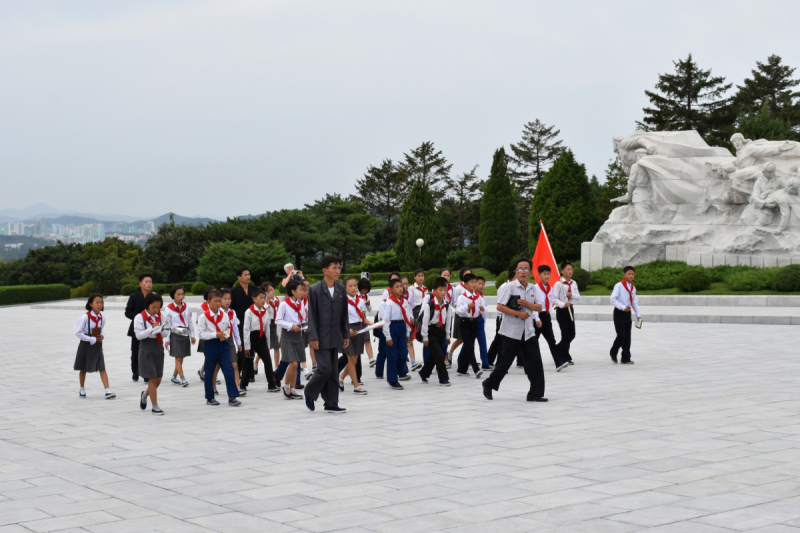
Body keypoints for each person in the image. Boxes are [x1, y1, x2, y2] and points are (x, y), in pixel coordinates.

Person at [482, 258, 547, 402]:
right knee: (504, 363)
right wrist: (518, 313)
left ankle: (535, 393)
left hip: (528, 332)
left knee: (536, 363)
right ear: (515, 272)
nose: (523, 272)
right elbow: (500, 306)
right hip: (511, 332)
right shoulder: (509, 287)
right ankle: (489, 383)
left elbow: (539, 307)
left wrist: (528, 304)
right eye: (520, 269)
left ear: (530, 272)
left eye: (526, 269)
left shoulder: (533, 288)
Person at [304, 256, 350, 412]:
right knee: (325, 369)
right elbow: (312, 316)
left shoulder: (341, 289)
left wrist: (346, 334)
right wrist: (313, 337)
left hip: (335, 336)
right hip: (320, 337)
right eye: (334, 268)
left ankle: (331, 403)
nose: (337, 271)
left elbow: (344, 314)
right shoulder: (315, 290)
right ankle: (309, 391)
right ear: (325, 270)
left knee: (333, 371)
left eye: (339, 267)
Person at [196, 290, 241, 406]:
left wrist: (225, 334)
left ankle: (232, 396)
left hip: (223, 345)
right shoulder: (203, 317)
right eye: (215, 301)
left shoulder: (224, 315)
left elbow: (228, 328)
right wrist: (215, 334)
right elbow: (201, 334)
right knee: (210, 372)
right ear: (209, 302)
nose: (218, 303)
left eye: (219, 301)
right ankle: (210, 397)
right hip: (211, 345)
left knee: (229, 370)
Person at [74, 293, 115, 399]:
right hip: (86, 344)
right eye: (97, 302)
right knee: (83, 368)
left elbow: (102, 330)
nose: (99, 305)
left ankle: (107, 390)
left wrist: (102, 336)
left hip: (97, 344)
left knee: (102, 366)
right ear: (91, 304)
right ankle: (82, 388)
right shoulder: (84, 318)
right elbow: (78, 332)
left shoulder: (102, 318)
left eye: (101, 302)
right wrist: (90, 339)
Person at [134, 292, 167, 415]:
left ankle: (145, 394)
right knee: (152, 379)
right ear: (147, 305)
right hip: (146, 348)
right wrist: (152, 329)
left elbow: (166, 333)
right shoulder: (139, 317)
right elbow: (138, 335)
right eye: (153, 307)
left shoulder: (160, 316)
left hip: (158, 348)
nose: (156, 310)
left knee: (158, 379)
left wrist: (162, 329)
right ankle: (155, 406)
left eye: (158, 307)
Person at [534, 265, 570, 372]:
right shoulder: (535, 288)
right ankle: (528, 361)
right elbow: (533, 305)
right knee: (533, 342)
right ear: (539, 275)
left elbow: (550, 303)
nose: (546, 276)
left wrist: (548, 316)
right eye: (544, 274)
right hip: (537, 317)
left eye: (548, 274)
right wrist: (537, 319)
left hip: (546, 317)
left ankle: (559, 362)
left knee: (552, 341)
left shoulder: (550, 288)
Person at [275, 280, 307, 400]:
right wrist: (291, 325)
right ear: (293, 291)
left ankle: (293, 389)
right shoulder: (284, 304)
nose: (302, 292)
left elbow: (301, 318)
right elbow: (278, 321)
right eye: (300, 290)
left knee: (297, 362)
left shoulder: (300, 303)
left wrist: (304, 326)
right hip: (288, 335)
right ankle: (286, 386)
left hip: (298, 335)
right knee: (292, 362)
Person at [243, 287, 279, 392]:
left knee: (268, 361)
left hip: (262, 338)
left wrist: (267, 344)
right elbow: (246, 329)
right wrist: (247, 345)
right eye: (261, 298)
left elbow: (267, 329)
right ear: (253, 299)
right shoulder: (249, 312)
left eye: (264, 298)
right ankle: (243, 385)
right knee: (248, 362)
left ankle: (271, 385)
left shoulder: (265, 312)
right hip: (252, 337)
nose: (263, 300)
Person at [381, 278, 413, 390]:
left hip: (402, 327)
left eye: (401, 286)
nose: (400, 288)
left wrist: (408, 333)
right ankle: (393, 379)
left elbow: (407, 317)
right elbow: (385, 321)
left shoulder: (405, 301)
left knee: (403, 354)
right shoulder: (389, 302)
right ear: (391, 289)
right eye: (397, 287)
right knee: (392, 355)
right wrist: (388, 336)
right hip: (392, 327)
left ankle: (400, 371)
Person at [418, 278, 451, 386]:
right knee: (439, 355)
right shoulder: (430, 305)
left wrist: (447, 335)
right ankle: (443, 378)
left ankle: (424, 373)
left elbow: (448, 321)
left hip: (441, 331)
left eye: (444, 290)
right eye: (440, 290)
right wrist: (425, 337)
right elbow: (425, 322)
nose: (443, 292)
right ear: (434, 291)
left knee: (434, 355)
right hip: (431, 331)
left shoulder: (446, 305)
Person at [338, 277, 368, 395]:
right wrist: (345, 331)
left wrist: (375, 324)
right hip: (347, 330)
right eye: (350, 286)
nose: (354, 288)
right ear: (344, 288)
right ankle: (356, 386)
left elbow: (363, 317)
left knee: (354, 360)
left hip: (358, 329)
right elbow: (338, 320)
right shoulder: (341, 301)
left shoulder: (360, 300)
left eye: (355, 285)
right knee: (350, 358)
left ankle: (341, 378)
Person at [165, 285, 195, 387]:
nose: (181, 296)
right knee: (178, 358)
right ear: (173, 295)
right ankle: (183, 379)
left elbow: (190, 321)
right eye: (178, 294)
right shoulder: (169, 309)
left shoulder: (187, 307)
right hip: (175, 335)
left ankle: (174, 376)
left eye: (182, 294)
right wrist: (167, 339)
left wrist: (192, 335)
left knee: (181, 357)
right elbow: (167, 325)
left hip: (185, 334)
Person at [215, 289, 244, 396]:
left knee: (235, 365)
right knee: (217, 366)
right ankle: (213, 386)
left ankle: (237, 387)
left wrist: (239, 343)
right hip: (219, 339)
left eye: (229, 299)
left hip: (230, 339)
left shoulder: (232, 312)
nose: (227, 301)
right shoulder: (218, 312)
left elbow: (235, 328)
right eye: (224, 299)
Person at [610, 266, 641, 364]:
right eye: (629, 274)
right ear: (624, 274)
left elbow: (634, 302)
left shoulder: (633, 287)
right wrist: (623, 307)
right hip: (619, 312)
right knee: (621, 335)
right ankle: (613, 352)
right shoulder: (619, 285)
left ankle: (626, 357)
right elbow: (613, 299)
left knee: (628, 336)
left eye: (632, 274)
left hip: (628, 313)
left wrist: (638, 314)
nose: (631, 276)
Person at [455, 273, 484, 378]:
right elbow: (458, 311)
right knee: (469, 345)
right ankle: (476, 369)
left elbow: (484, 307)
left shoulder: (478, 297)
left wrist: (483, 308)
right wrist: (467, 306)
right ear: (466, 284)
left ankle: (462, 369)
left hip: (474, 322)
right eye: (472, 282)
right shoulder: (462, 297)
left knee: (469, 344)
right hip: (464, 322)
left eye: (475, 282)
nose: (474, 284)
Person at [125, 274, 152, 382]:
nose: (149, 284)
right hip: (136, 328)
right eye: (146, 281)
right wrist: (139, 317)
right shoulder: (134, 297)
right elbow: (127, 312)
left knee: (147, 352)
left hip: (150, 328)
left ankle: (146, 374)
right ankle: (135, 372)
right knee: (136, 351)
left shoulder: (153, 297)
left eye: (150, 282)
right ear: (140, 283)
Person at [231, 267, 254, 390]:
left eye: (249, 274)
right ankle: (242, 373)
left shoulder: (254, 290)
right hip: (240, 324)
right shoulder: (233, 292)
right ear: (239, 277)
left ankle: (244, 371)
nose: (248, 277)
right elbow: (232, 309)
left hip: (253, 324)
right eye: (245, 275)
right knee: (243, 347)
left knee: (248, 348)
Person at [487, 269, 515, 366]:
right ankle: (496, 361)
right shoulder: (505, 287)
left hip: (507, 317)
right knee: (500, 340)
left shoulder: (511, 287)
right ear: (512, 278)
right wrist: (500, 318)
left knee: (500, 340)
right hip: (502, 317)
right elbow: (500, 304)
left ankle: (491, 360)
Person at [553, 262, 579, 365]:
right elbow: (554, 299)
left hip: (570, 310)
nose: (570, 271)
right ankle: (565, 356)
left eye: (571, 269)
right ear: (562, 271)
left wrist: (571, 295)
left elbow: (578, 296)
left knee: (572, 334)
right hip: (562, 310)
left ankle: (558, 349)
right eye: (568, 269)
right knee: (566, 335)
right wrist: (563, 304)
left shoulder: (573, 283)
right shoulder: (558, 284)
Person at [447, 267, 472, 364]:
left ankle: (467, 358)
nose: (468, 276)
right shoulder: (458, 288)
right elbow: (454, 302)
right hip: (461, 315)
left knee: (470, 339)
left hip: (470, 316)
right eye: (466, 274)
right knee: (461, 338)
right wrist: (464, 306)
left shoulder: (472, 287)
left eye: (470, 274)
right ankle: (450, 352)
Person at [262, 281, 282, 387]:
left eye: (271, 289)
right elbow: (266, 314)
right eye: (267, 291)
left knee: (276, 346)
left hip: (276, 325)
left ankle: (277, 366)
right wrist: (268, 302)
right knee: (265, 347)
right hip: (268, 325)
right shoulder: (265, 302)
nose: (270, 292)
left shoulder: (278, 300)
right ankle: (256, 361)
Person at [196, 285, 216, 382]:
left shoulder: (218, 306)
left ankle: (203, 371)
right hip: (206, 336)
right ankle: (209, 376)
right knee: (210, 357)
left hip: (216, 335)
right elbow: (197, 321)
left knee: (212, 357)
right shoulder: (202, 308)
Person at [401, 275, 421, 371]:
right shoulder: (397, 296)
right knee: (403, 343)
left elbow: (411, 307)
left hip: (408, 321)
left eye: (406, 284)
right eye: (403, 284)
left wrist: (412, 317)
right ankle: (402, 361)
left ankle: (413, 362)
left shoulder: (410, 294)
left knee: (410, 342)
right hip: (400, 321)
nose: (405, 286)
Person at [357, 278, 376, 367]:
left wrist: (368, 304)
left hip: (363, 318)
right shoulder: (355, 294)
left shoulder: (366, 296)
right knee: (355, 342)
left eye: (367, 289)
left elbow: (369, 309)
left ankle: (371, 358)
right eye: (363, 289)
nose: (365, 291)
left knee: (367, 338)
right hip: (355, 319)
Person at [474, 276, 491, 369]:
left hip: (480, 321)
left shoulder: (483, 296)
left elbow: (486, 309)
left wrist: (484, 309)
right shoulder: (472, 295)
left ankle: (485, 363)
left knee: (483, 343)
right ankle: (461, 361)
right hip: (472, 321)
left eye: (483, 284)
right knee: (468, 344)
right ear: (474, 284)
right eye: (479, 283)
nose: (481, 286)